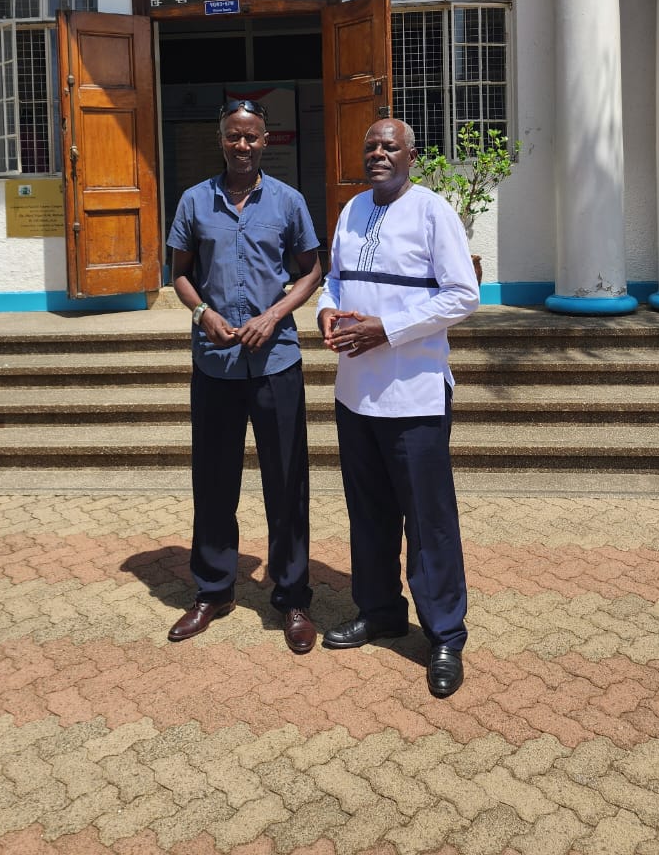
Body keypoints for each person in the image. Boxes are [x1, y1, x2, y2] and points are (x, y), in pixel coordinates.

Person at [317, 117, 480, 697]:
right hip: (355, 394)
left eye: (390, 145)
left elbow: (464, 294)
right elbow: (333, 281)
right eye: (370, 145)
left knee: (429, 521)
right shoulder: (352, 210)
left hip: (414, 394)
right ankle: (381, 609)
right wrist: (325, 313)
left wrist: (391, 329)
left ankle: (444, 635)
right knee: (369, 513)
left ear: (412, 155)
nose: (378, 152)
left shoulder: (433, 211)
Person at [166, 97, 322, 654]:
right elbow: (179, 272)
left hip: (276, 360)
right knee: (213, 481)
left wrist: (275, 314)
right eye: (233, 136)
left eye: (252, 137)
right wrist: (201, 313)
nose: (242, 145)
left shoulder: (288, 202)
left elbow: (312, 270)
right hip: (216, 364)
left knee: (286, 482)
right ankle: (213, 590)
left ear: (265, 140)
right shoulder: (193, 201)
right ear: (221, 139)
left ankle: (293, 596)